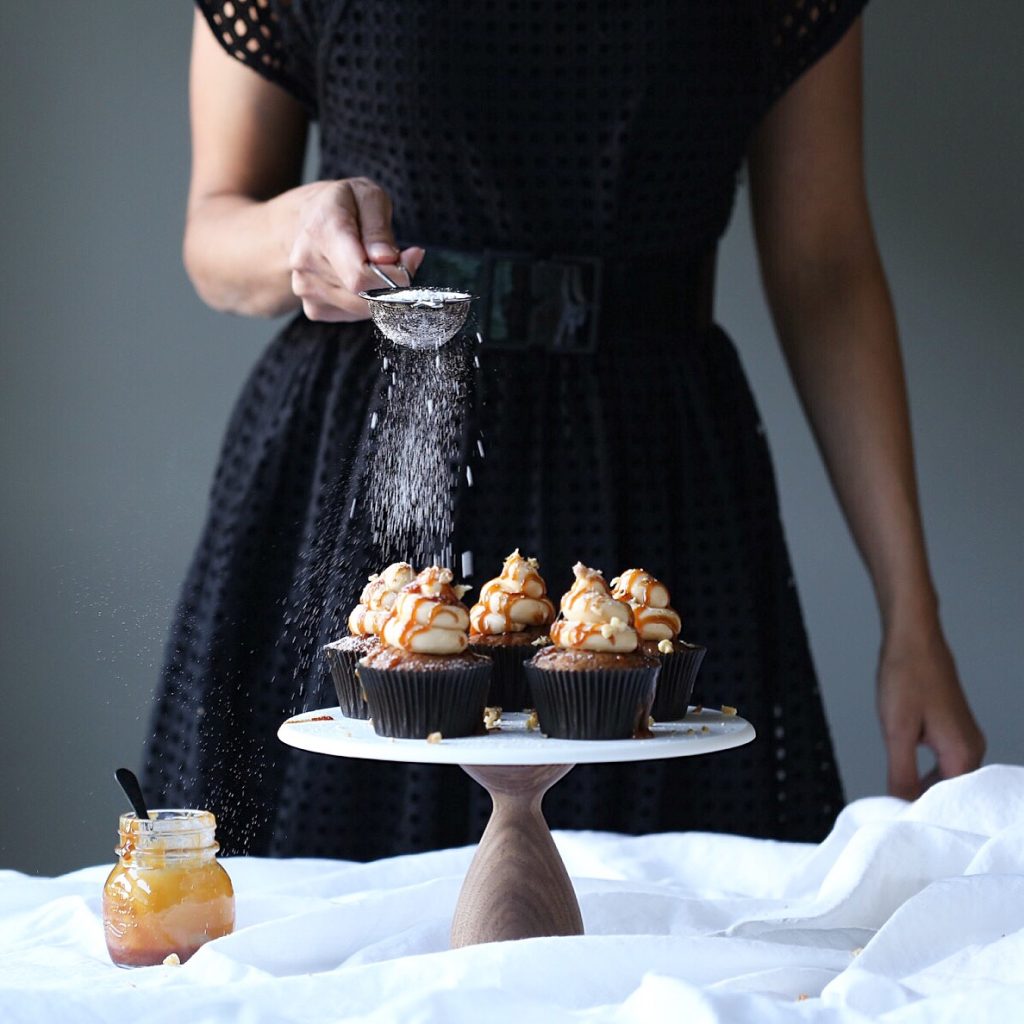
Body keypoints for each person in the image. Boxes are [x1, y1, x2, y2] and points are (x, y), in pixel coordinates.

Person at [144, 1, 984, 859]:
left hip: (657, 493)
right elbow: (214, 233)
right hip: (378, 464)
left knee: (672, 947)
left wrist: (911, 615)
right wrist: (302, 228)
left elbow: (827, 269)